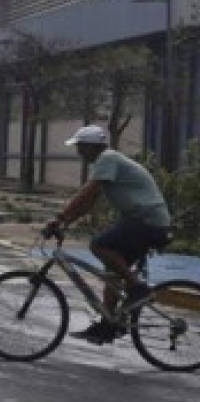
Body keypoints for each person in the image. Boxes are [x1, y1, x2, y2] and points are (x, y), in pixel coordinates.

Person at [42, 125, 171, 345]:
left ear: (92, 146)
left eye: (80, 147)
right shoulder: (106, 164)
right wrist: (65, 222)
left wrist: (60, 217)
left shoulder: (108, 158)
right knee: (111, 274)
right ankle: (107, 326)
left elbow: (87, 192)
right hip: (140, 221)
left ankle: (138, 288)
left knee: (99, 245)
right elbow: (88, 204)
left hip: (148, 222)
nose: (78, 152)